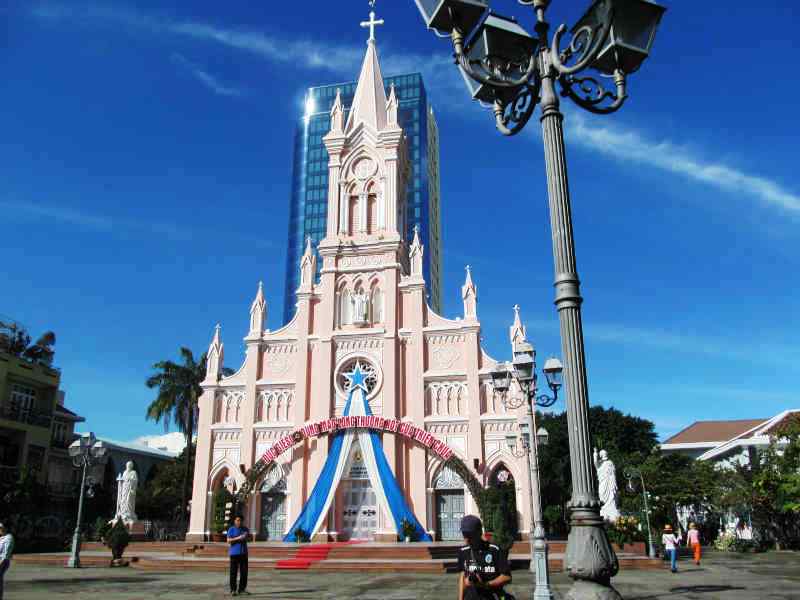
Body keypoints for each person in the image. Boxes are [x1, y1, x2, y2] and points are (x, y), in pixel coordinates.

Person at [457, 515, 512, 600]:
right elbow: (462, 576)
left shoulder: (494, 550)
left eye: (470, 535)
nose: (466, 539)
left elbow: (507, 577)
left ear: (479, 532)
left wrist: (486, 584)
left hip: (491, 596)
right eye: (464, 535)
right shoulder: (463, 551)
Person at [227, 515, 250, 596]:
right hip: (234, 554)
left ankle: (242, 589)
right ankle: (233, 590)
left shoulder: (245, 529)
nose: (238, 522)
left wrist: (244, 537)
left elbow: (247, 538)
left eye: (240, 520)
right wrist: (238, 538)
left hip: (243, 553)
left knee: (244, 573)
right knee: (233, 573)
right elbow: (228, 540)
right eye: (237, 520)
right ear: (234, 521)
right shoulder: (231, 529)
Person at [0, 523, 14, 600]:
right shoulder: (1, 538)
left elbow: (6, 552)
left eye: (1, 528)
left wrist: (1, 562)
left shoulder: (9, 537)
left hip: (3, 561)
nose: (0, 530)